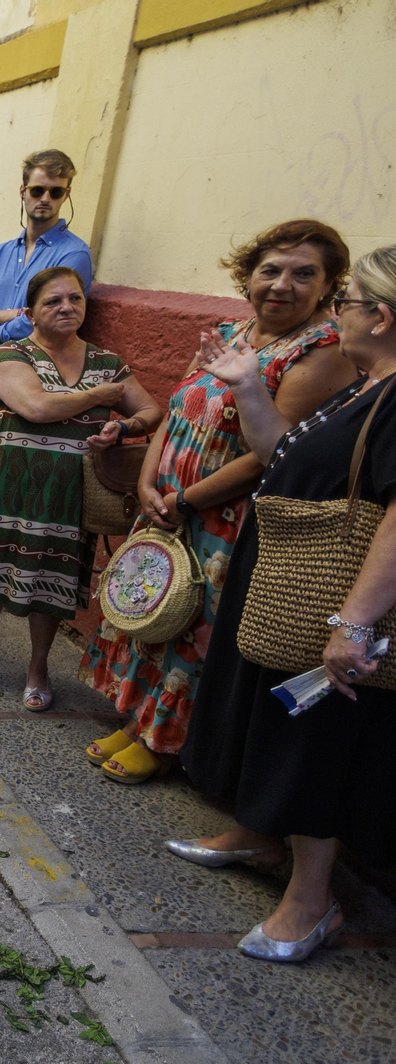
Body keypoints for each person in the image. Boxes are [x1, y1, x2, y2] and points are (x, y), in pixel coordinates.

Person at [173, 246, 396, 964]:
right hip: (293, 589)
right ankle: (263, 834)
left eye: (347, 302)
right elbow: (282, 456)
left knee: (318, 746)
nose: (339, 315)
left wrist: (355, 621)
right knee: (278, 722)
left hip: (332, 600)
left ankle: (310, 904)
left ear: (382, 317)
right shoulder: (364, 384)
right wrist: (244, 386)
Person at [82, 220, 356, 783]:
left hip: (225, 521)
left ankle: (165, 741)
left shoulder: (321, 350)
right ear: (248, 277)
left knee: (196, 628)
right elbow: (178, 404)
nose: (282, 285)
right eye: (270, 270)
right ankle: (138, 720)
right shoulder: (228, 333)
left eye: (304, 274)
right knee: (156, 611)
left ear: (328, 286)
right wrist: (146, 485)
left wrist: (183, 502)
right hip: (168, 507)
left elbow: (270, 453)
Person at [0, 267, 161, 709]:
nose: (67, 307)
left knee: (49, 580)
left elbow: (154, 410)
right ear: (30, 312)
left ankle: (38, 667)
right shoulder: (10, 353)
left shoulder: (106, 363)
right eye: (53, 301)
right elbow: (37, 407)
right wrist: (100, 397)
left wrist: (125, 426)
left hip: (67, 497)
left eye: (75, 299)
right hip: (10, 492)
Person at [0, 149, 93, 463]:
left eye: (56, 192)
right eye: (37, 190)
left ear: (66, 195)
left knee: (7, 495)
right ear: (23, 191)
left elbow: (49, 323)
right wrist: (14, 315)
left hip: (26, 394)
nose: (45, 198)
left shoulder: (73, 255)